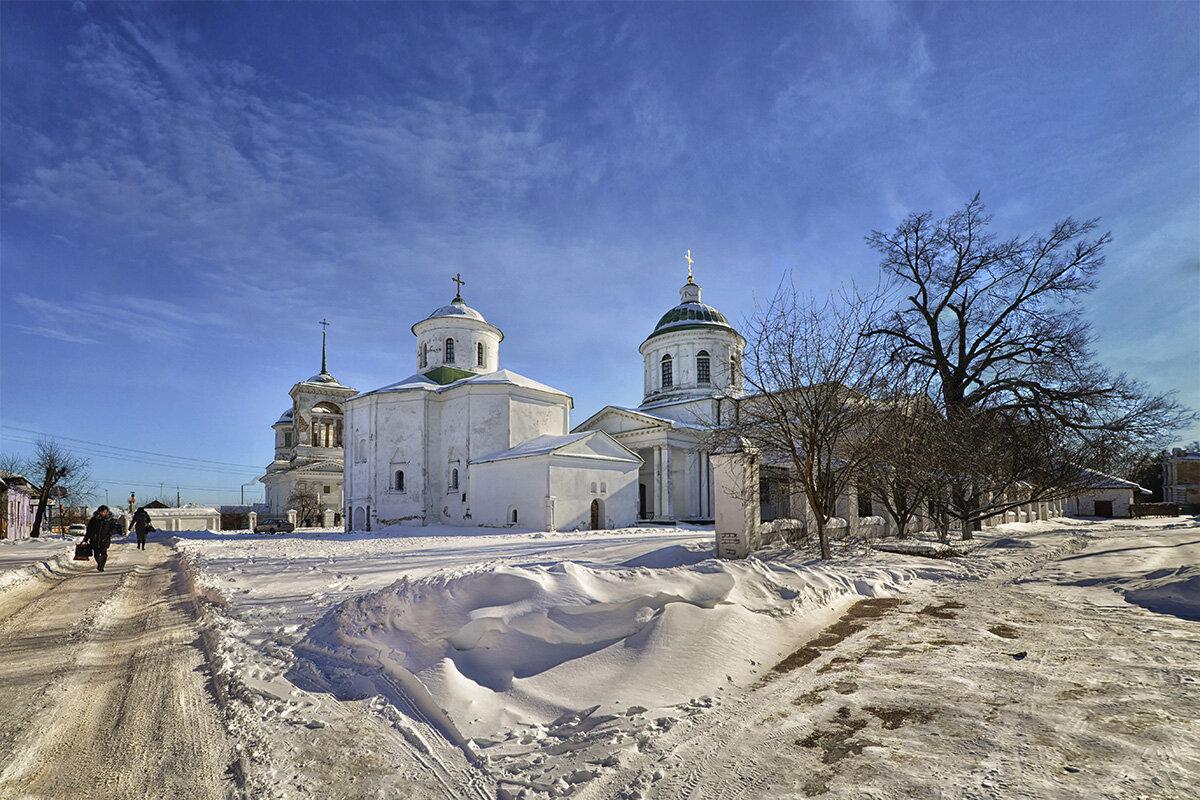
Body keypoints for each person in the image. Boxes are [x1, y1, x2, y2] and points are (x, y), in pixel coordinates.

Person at [83, 505, 117, 572]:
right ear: (99, 512)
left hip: (105, 539)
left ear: (107, 512)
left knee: (104, 553)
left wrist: (109, 534)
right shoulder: (94, 519)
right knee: (96, 554)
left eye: (104, 512)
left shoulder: (110, 520)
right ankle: (99, 563)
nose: (103, 513)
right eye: (101, 512)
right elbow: (89, 530)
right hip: (94, 539)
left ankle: (102, 566)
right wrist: (86, 538)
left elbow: (113, 528)